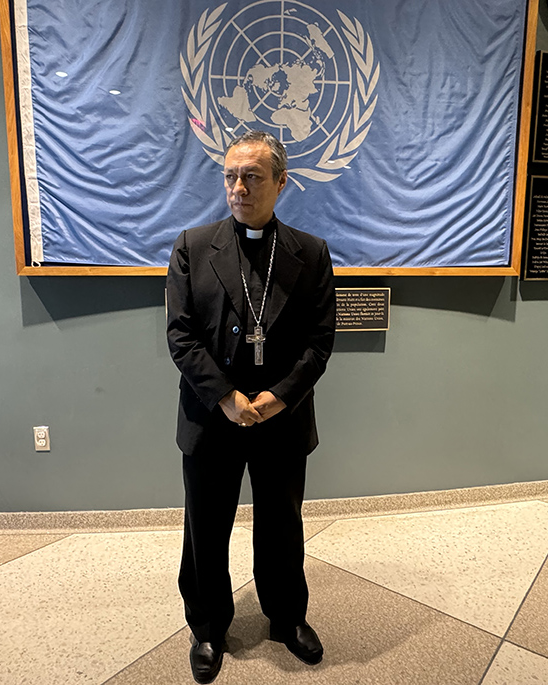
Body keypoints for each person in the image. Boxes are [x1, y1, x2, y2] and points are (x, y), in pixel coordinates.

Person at [166, 130, 336, 684]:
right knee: (206, 527)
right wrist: (227, 398)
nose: (239, 187)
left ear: (281, 183)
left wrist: (279, 396)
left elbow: (320, 341)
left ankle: (287, 619)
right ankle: (208, 627)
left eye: (253, 177)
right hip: (212, 417)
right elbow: (181, 336)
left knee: (282, 525)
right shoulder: (193, 247)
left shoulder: (310, 254)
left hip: (281, 419)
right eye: (231, 176)